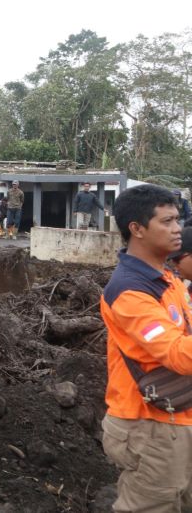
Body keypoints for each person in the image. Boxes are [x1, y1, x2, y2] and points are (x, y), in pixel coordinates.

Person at [98, 184, 192, 510]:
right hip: (149, 426)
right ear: (136, 229)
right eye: (166, 222)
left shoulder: (168, 279)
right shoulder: (129, 291)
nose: (177, 229)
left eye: (177, 220)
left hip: (176, 416)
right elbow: (179, 355)